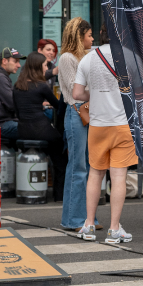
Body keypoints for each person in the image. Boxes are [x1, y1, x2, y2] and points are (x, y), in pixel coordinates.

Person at [72, 35, 136, 244]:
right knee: (118, 177)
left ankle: (89, 225)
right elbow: (140, 91)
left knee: (95, 174)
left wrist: (96, 95)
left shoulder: (88, 59)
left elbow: (77, 93)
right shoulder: (129, 57)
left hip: (97, 125)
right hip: (122, 125)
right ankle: (114, 229)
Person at [59, 17, 98, 232]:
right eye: (89, 35)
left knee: (87, 166)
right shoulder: (67, 58)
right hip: (77, 112)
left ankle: (85, 216)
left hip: (85, 112)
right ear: (79, 35)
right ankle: (74, 218)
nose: (92, 39)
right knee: (78, 167)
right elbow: (77, 90)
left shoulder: (85, 57)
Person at [13, 52, 66, 201]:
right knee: (60, 156)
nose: (46, 68)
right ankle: (59, 195)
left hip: (23, 131)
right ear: (38, 67)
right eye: (44, 65)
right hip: (41, 129)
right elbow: (58, 107)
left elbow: (17, 111)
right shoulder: (41, 86)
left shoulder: (17, 85)